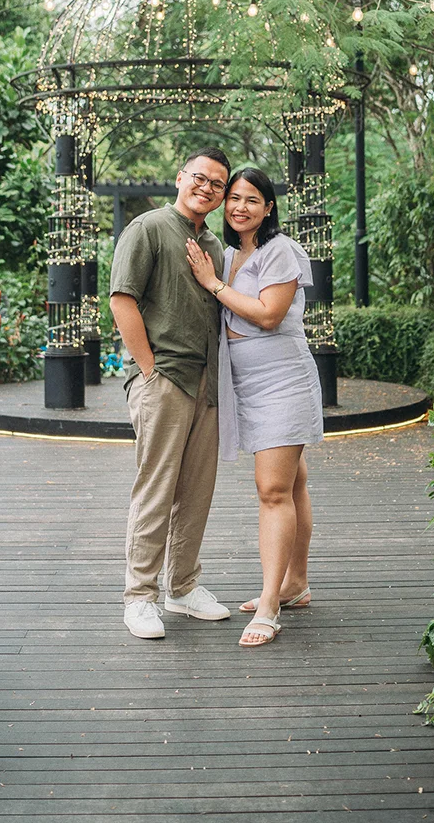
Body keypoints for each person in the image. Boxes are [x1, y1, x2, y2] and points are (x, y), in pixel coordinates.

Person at [186, 166, 322, 648]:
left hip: (283, 380)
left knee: (272, 489)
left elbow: (268, 315)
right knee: (293, 482)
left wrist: (213, 284)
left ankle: (269, 605)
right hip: (244, 383)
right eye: (234, 198)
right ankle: (295, 584)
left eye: (252, 199)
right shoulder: (228, 255)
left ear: (268, 208)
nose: (240, 206)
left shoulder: (279, 251)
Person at [109, 148, 233, 640]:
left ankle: (182, 587)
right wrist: (149, 371)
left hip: (207, 385)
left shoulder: (215, 246)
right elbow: (122, 299)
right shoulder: (147, 228)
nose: (207, 187)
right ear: (180, 177)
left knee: (197, 493)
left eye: (217, 184)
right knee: (156, 489)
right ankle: (139, 597)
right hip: (164, 380)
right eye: (200, 178)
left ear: (222, 196)